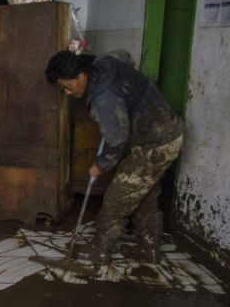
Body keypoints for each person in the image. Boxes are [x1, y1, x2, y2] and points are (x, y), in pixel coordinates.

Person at [45, 51, 184, 272]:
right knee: (145, 196)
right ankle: (149, 250)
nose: (68, 93)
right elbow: (126, 56)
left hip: (154, 144)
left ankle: (100, 251)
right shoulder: (103, 62)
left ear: (81, 74)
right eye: (63, 90)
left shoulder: (104, 99)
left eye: (67, 86)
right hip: (166, 131)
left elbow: (117, 139)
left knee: (116, 199)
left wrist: (100, 165)